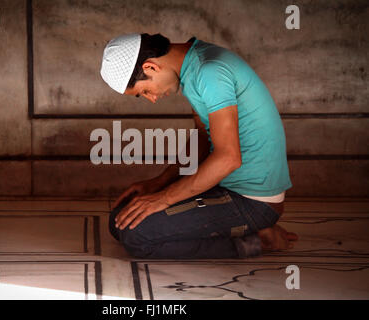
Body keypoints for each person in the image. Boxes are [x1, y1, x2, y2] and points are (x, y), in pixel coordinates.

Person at [100, 33, 298, 259]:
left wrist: (164, 198)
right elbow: (203, 139)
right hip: (225, 187)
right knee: (119, 220)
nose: (152, 98)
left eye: (145, 91)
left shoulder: (209, 72)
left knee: (137, 236)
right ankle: (237, 228)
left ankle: (255, 240)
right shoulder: (193, 65)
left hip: (254, 202)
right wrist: (160, 183)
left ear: (151, 67)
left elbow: (228, 158)